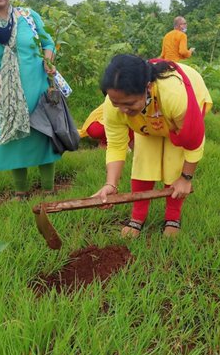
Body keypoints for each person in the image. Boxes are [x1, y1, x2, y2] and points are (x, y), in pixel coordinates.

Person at [91, 54, 212, 238]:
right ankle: (137, 217)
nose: (122, 110)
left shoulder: (174, 95)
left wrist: (186, 178)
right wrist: (111, 184)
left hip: (184, 105)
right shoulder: (113, 104)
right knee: (144, 159)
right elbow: (116, 145)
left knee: (174, 159)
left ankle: (173, 216)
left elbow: (192, 140)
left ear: (147, 88)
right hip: (147, 120)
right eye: (117, 104)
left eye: (129, 104)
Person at [0, 0, 61, 190]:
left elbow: (47, 42)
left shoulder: (28, 16)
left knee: (42, 136)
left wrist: (48, 60)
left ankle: (48, 189)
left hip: (36, 85)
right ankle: (20, 191)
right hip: (6, 92)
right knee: (15, 138)